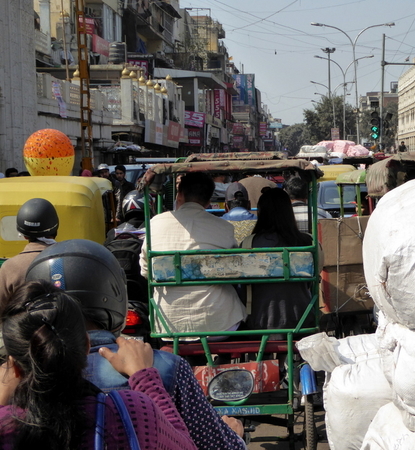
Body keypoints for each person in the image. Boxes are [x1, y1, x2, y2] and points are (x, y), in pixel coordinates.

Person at [25, 239, 246, 450]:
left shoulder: (22, 377)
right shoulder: (163, 367)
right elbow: (212, 443)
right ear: (114, 291)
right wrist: (234, 435)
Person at [0, 279, 197, 450]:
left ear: (15, 368)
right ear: (87, 345)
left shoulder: (6, 427)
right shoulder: (131, 411)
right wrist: (145, 377)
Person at [140, 172, 246, 338]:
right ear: (209, 200)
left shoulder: (154, 224)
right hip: (220, 324)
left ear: (179, 195)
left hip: (167, 324)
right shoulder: (224, 227)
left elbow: (146, 272)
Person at [242, 188, 316, 331]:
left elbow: (243, 287)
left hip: (260, 320)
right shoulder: (307, 242)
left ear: (261, 213)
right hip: (302, 319)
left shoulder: (249, 244)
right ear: (289, 212)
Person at [0, 198, 59, 311]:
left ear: (24, 235)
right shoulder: (70, 259)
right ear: (55, 228)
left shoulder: (10, 267)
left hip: (23, 327)